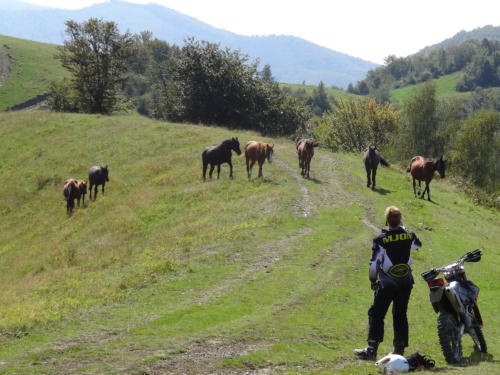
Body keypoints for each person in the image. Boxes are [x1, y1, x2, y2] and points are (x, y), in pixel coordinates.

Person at [355, 206, 422, 360]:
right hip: (406, 282)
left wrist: (373, 281)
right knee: (400, 314)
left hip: (387, 283)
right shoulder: (409, 235)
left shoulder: (380, 240)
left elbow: (374, 264)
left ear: (386, 221)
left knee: (377, 313)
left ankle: (372, 349)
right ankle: (399, 351)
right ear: (400, 220)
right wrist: (403, 230)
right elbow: (418, 245)